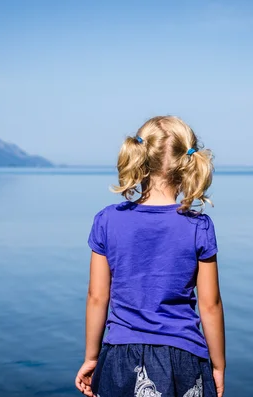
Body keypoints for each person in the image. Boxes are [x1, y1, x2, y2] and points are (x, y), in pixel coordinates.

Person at [75, 116, 225, 397]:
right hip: (185, 358)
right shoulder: (199, 227)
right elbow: (210, 305)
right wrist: (218, 366)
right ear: (187, 165)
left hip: (121, 357)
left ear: (138, 161)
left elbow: (97, 296)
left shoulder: (107, 220)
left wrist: (92, 358)